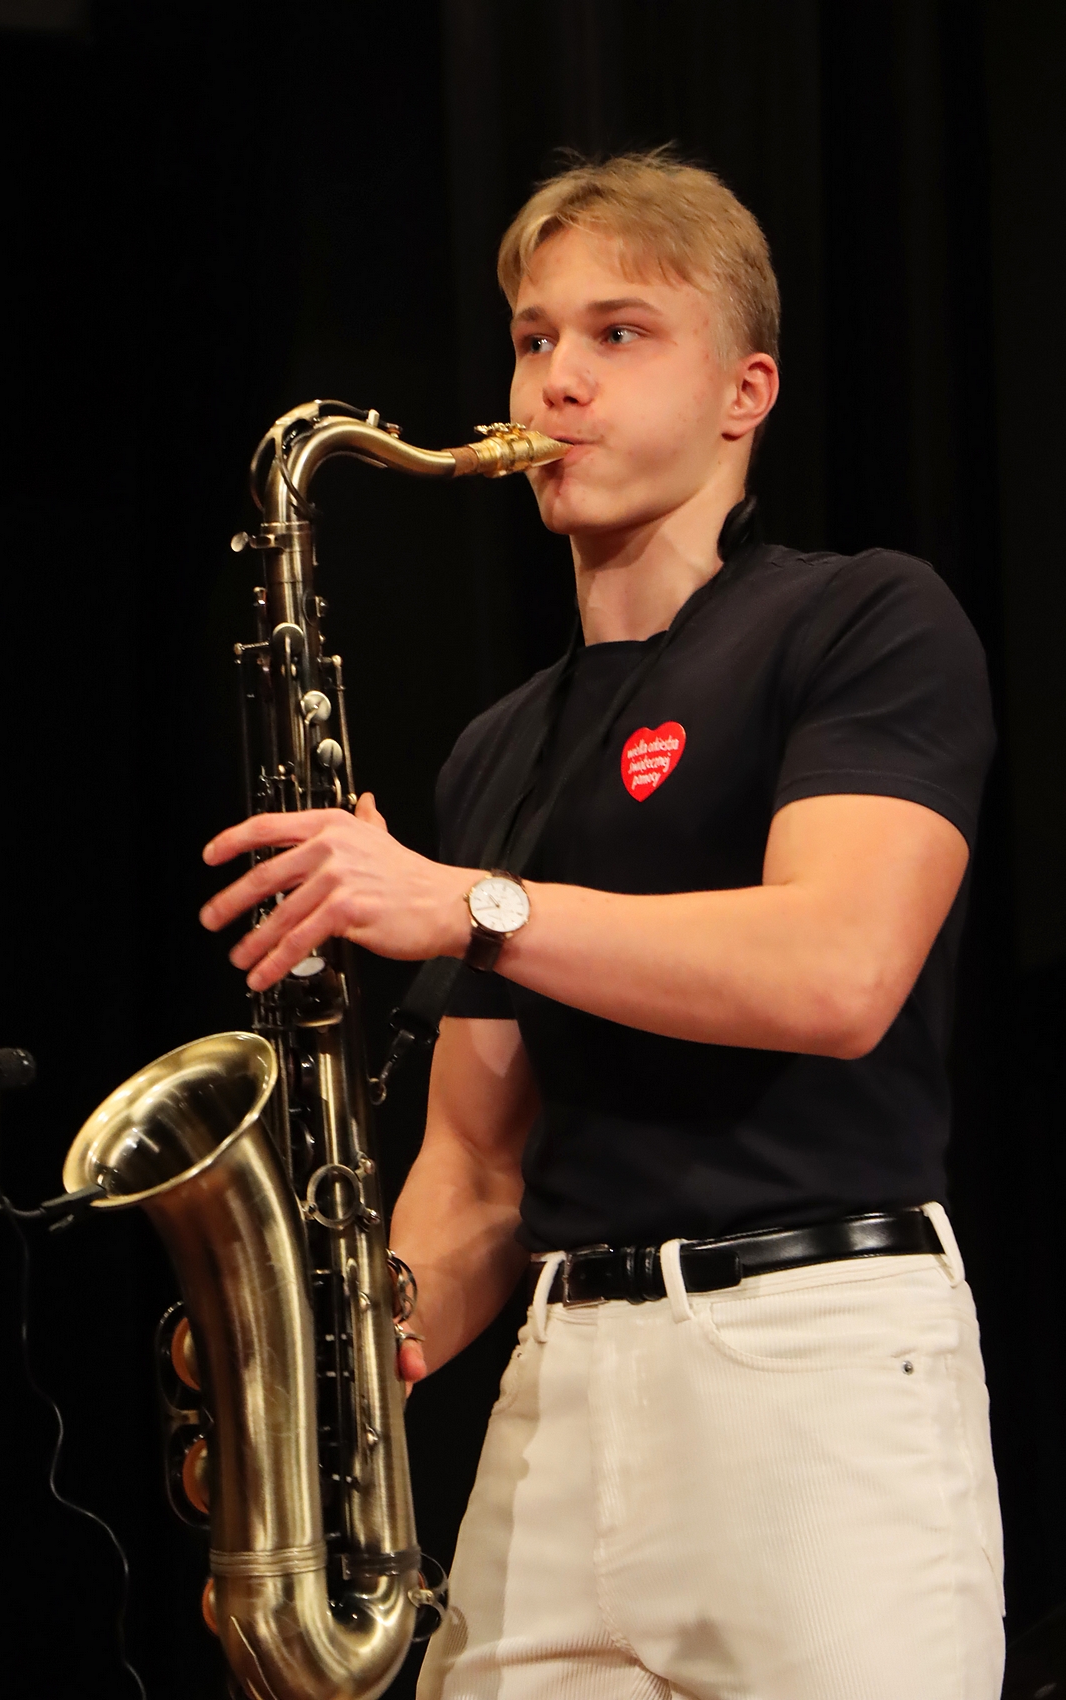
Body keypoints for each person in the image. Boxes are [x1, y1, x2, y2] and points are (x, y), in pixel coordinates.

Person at [199, 151, 1004, 1700]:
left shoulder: (861, 616)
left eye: (618, 333)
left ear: (743, 391)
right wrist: (342, 1352)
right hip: (561, 1384)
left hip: (816, 1363)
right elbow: (477, 1170)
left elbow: (836, 971)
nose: (556, 380)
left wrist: (465, 904)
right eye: (532, 338)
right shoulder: (497, 747)